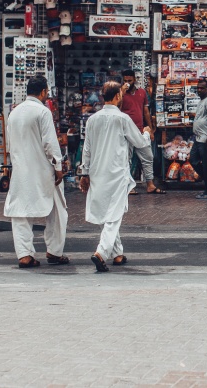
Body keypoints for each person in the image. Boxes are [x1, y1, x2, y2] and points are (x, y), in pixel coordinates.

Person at [80, 81, 152, 272]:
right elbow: (140, 143)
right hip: (117, 172)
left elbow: (86, 150)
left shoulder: (92, 120)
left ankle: (117, 253)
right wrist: (146, 133)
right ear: (118, 96)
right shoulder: (122, 119)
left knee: (109, 212)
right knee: (115, 214)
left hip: (97, 172)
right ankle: (101, 252)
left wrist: (84, 173)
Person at [5, 77, 69, 269]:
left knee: (20, 212)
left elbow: (10, 144)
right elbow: (50, 143)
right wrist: (58, 167)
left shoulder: (14, 113)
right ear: (43, 92)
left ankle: (24, 254)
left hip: (20, 169)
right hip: (42, 169)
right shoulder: (42, 112)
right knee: (58, 210)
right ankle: (54, 251)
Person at [119, 69, 164, 195]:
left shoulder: (142, 92)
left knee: (148, 157)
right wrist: (121, 93)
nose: (127, 83)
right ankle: (128, 186)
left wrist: (150, 129)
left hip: (139, 131)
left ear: (134, 80)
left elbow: (145, 112)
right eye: (125, 81)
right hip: (125, 132)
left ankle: (150, 184)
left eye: (130, 80)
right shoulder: (120, 94)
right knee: (126, 159)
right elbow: (116, 108)